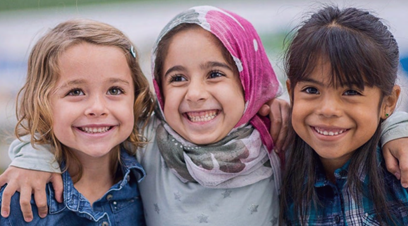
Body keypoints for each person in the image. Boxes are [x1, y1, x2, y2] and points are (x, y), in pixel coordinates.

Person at [1, 5, 408, 226]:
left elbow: (349, 115)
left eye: (216, 73)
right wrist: (31, 154)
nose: (195, 93)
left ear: (249, 83)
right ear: (158, 89)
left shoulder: (279, 135)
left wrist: (395, 128)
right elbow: (95, 125)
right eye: (177, 78)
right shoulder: (149, 141)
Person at [0, 19, 155, 225]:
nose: (98, 108)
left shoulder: (153, 177)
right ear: (42, 102)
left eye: (115, 90)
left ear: (136, 97)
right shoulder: (19, 198)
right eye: (76, 92)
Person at [280, 6, 408, 225]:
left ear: (388, 102)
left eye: (351, 92)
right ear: (291, 93)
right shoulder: (278, 170)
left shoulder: (401, 173)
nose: (328, 109)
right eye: (311, 90)